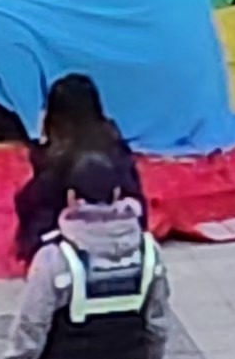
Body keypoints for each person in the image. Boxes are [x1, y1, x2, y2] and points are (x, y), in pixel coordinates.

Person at [0, 157, 169, 359]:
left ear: (71, 198)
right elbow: (157, 327)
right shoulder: (148, 253)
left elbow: (30, 332)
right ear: (118, 195)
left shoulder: (55, 258)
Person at [9, 72, 141, 261]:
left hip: (66, 248)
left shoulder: (56, 160)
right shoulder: (115, 146)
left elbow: (32, 207)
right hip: (122, 237)